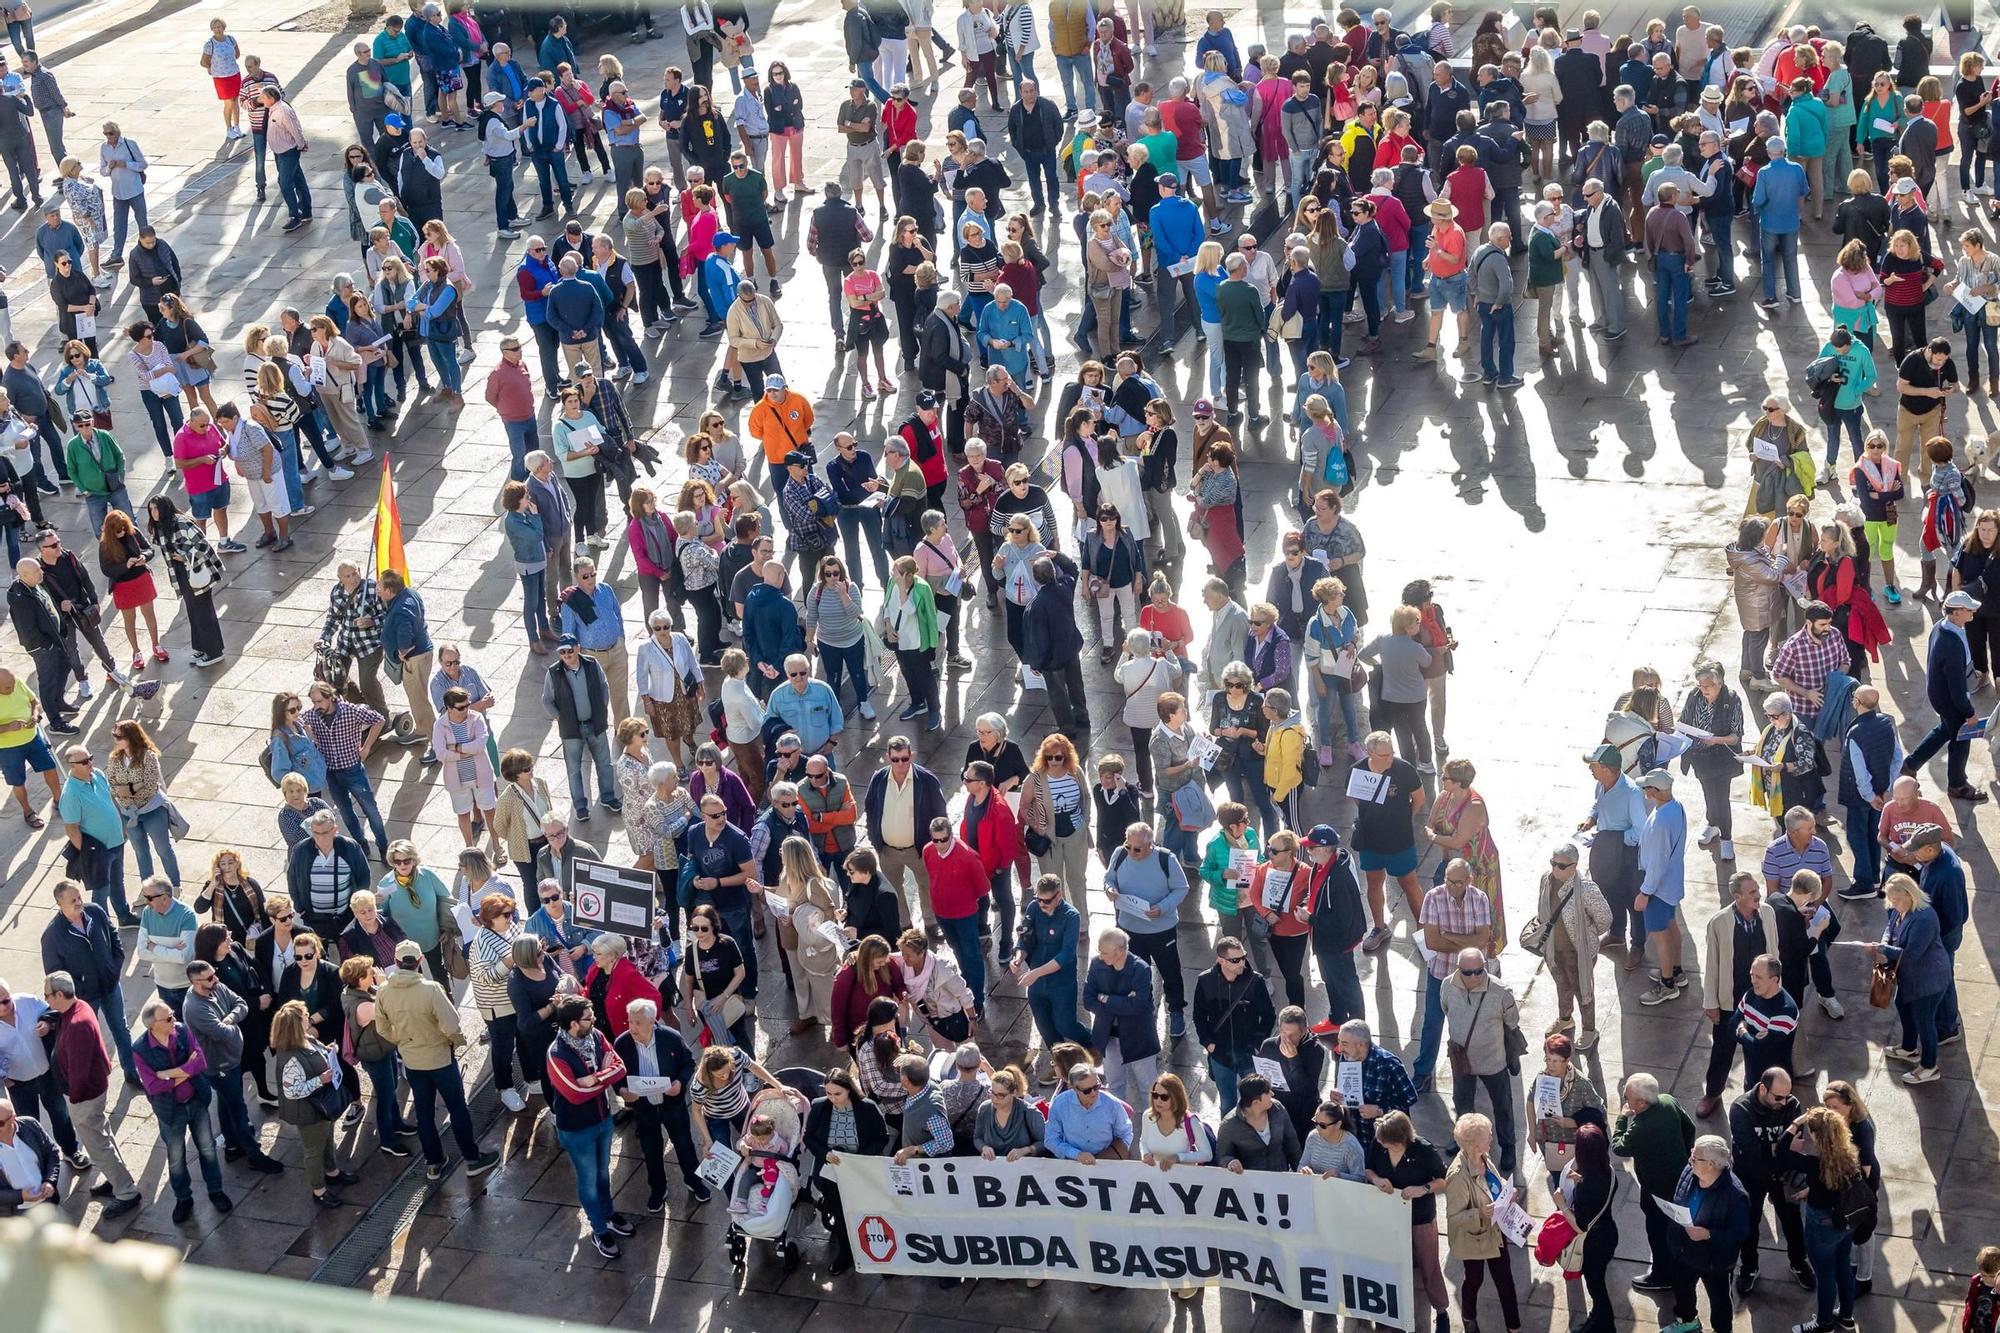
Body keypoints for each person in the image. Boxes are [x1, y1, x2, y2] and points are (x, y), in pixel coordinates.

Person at [373, 938, 500, 1180]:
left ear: (396, 963)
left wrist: (402, 1041)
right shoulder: (431, 989)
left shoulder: (384, 991)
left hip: (412, 1060)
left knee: (423, 1113)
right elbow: (451, 1025)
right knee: (457, 1109)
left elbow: (382, 1028)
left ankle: (433, 1162)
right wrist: (456, 1041)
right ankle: (473, 1159)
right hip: (440, 1058)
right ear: (420, 961)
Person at [39, 968, 140, 1215]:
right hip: (90, 1092)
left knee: (97, 1146)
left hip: (84, 1096)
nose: (46, 1000)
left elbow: (79, 1070)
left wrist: (73, 1098)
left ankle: (126, 1192)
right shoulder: (78, 1007)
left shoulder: (76, 1023)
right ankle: (117, 1178)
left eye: (47, 996)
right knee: (102, 1135)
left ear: (60, 994)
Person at [1365, 1109, 1451, 1332]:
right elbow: (1368, 1169)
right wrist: (1377, 1179)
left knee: (1428, 1263)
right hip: (1389, 1216)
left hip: (1420, 1217)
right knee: (1389, 1264)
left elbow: (1444, 1180)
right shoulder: (1379, 1142)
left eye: (1389, 1144)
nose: (1384, 1146)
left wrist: (1423, 1189)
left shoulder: (1423, 1149)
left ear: (1401, 1138)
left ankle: (1441, 1310)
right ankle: (1389, 1309)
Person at [1614, 1071, 1699, 1290]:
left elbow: (1619, 1146)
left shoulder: (1642, 1127)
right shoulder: (1668, 1101)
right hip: (1680, 1179)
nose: (1625, 1099)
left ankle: (1662, 1275)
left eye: (1628, 1097)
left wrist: (1622, 1118)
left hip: (1656, 1190)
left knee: (1657, 1231)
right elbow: (1690, 1128)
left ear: (1641, 1104)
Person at [1728, 1066, 1809, 1295]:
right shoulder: (1741, 1108)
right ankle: (1749, 1267)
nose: (1784, 1102)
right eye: (1778, 1097)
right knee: (1749, 1224)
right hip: (1750, 1176)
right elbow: (1749, 1150)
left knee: (1792, 1223)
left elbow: (1796, 1145)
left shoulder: (1791, 1104)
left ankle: (1799, 1262)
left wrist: (1774, 1149)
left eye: (1787, 1096)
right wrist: (1781, 1146)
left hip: (1781, 1175)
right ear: (1763, 1088)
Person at [1664, 1135, 1753, 1331]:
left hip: (1714, 1262)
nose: (1690, 1160)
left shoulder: (1735, 1195)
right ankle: (1687, 1322)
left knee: (1720, 1301)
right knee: (1682, 1289)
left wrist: (1709, 1234)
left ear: (1711, 1164)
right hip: (1683, 1250)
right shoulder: (1689, 1171)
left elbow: (1740, 1234)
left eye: (1695, 1157)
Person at [1444, 1111, 1521, 1333]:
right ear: (1475, 1145)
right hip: (1475, 1239)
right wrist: (1479, 1213)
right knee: (1474, 1280)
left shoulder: (1483, 1157)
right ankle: (1469, 1318)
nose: (1492, 1137)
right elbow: (1453, 1218)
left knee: (1505, 1281)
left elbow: (1494, 1182)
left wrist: (1509, 1189)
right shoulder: (1457, 1176)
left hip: (1495, 1232)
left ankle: (1514, 1328)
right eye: (1488, 1134)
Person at [1043, 1062, 1133, 1161]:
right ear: (1074, 1089)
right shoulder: (1060, 1104)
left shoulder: (1112, 1104)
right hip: (1073, 1163)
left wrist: (1110, 1156)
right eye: (1087, 1091)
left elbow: (1125, 1134)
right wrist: (1076, 1154)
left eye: (1096, 1087)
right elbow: (1051, 1139)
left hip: (1107, 1163)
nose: (1094, 1093)